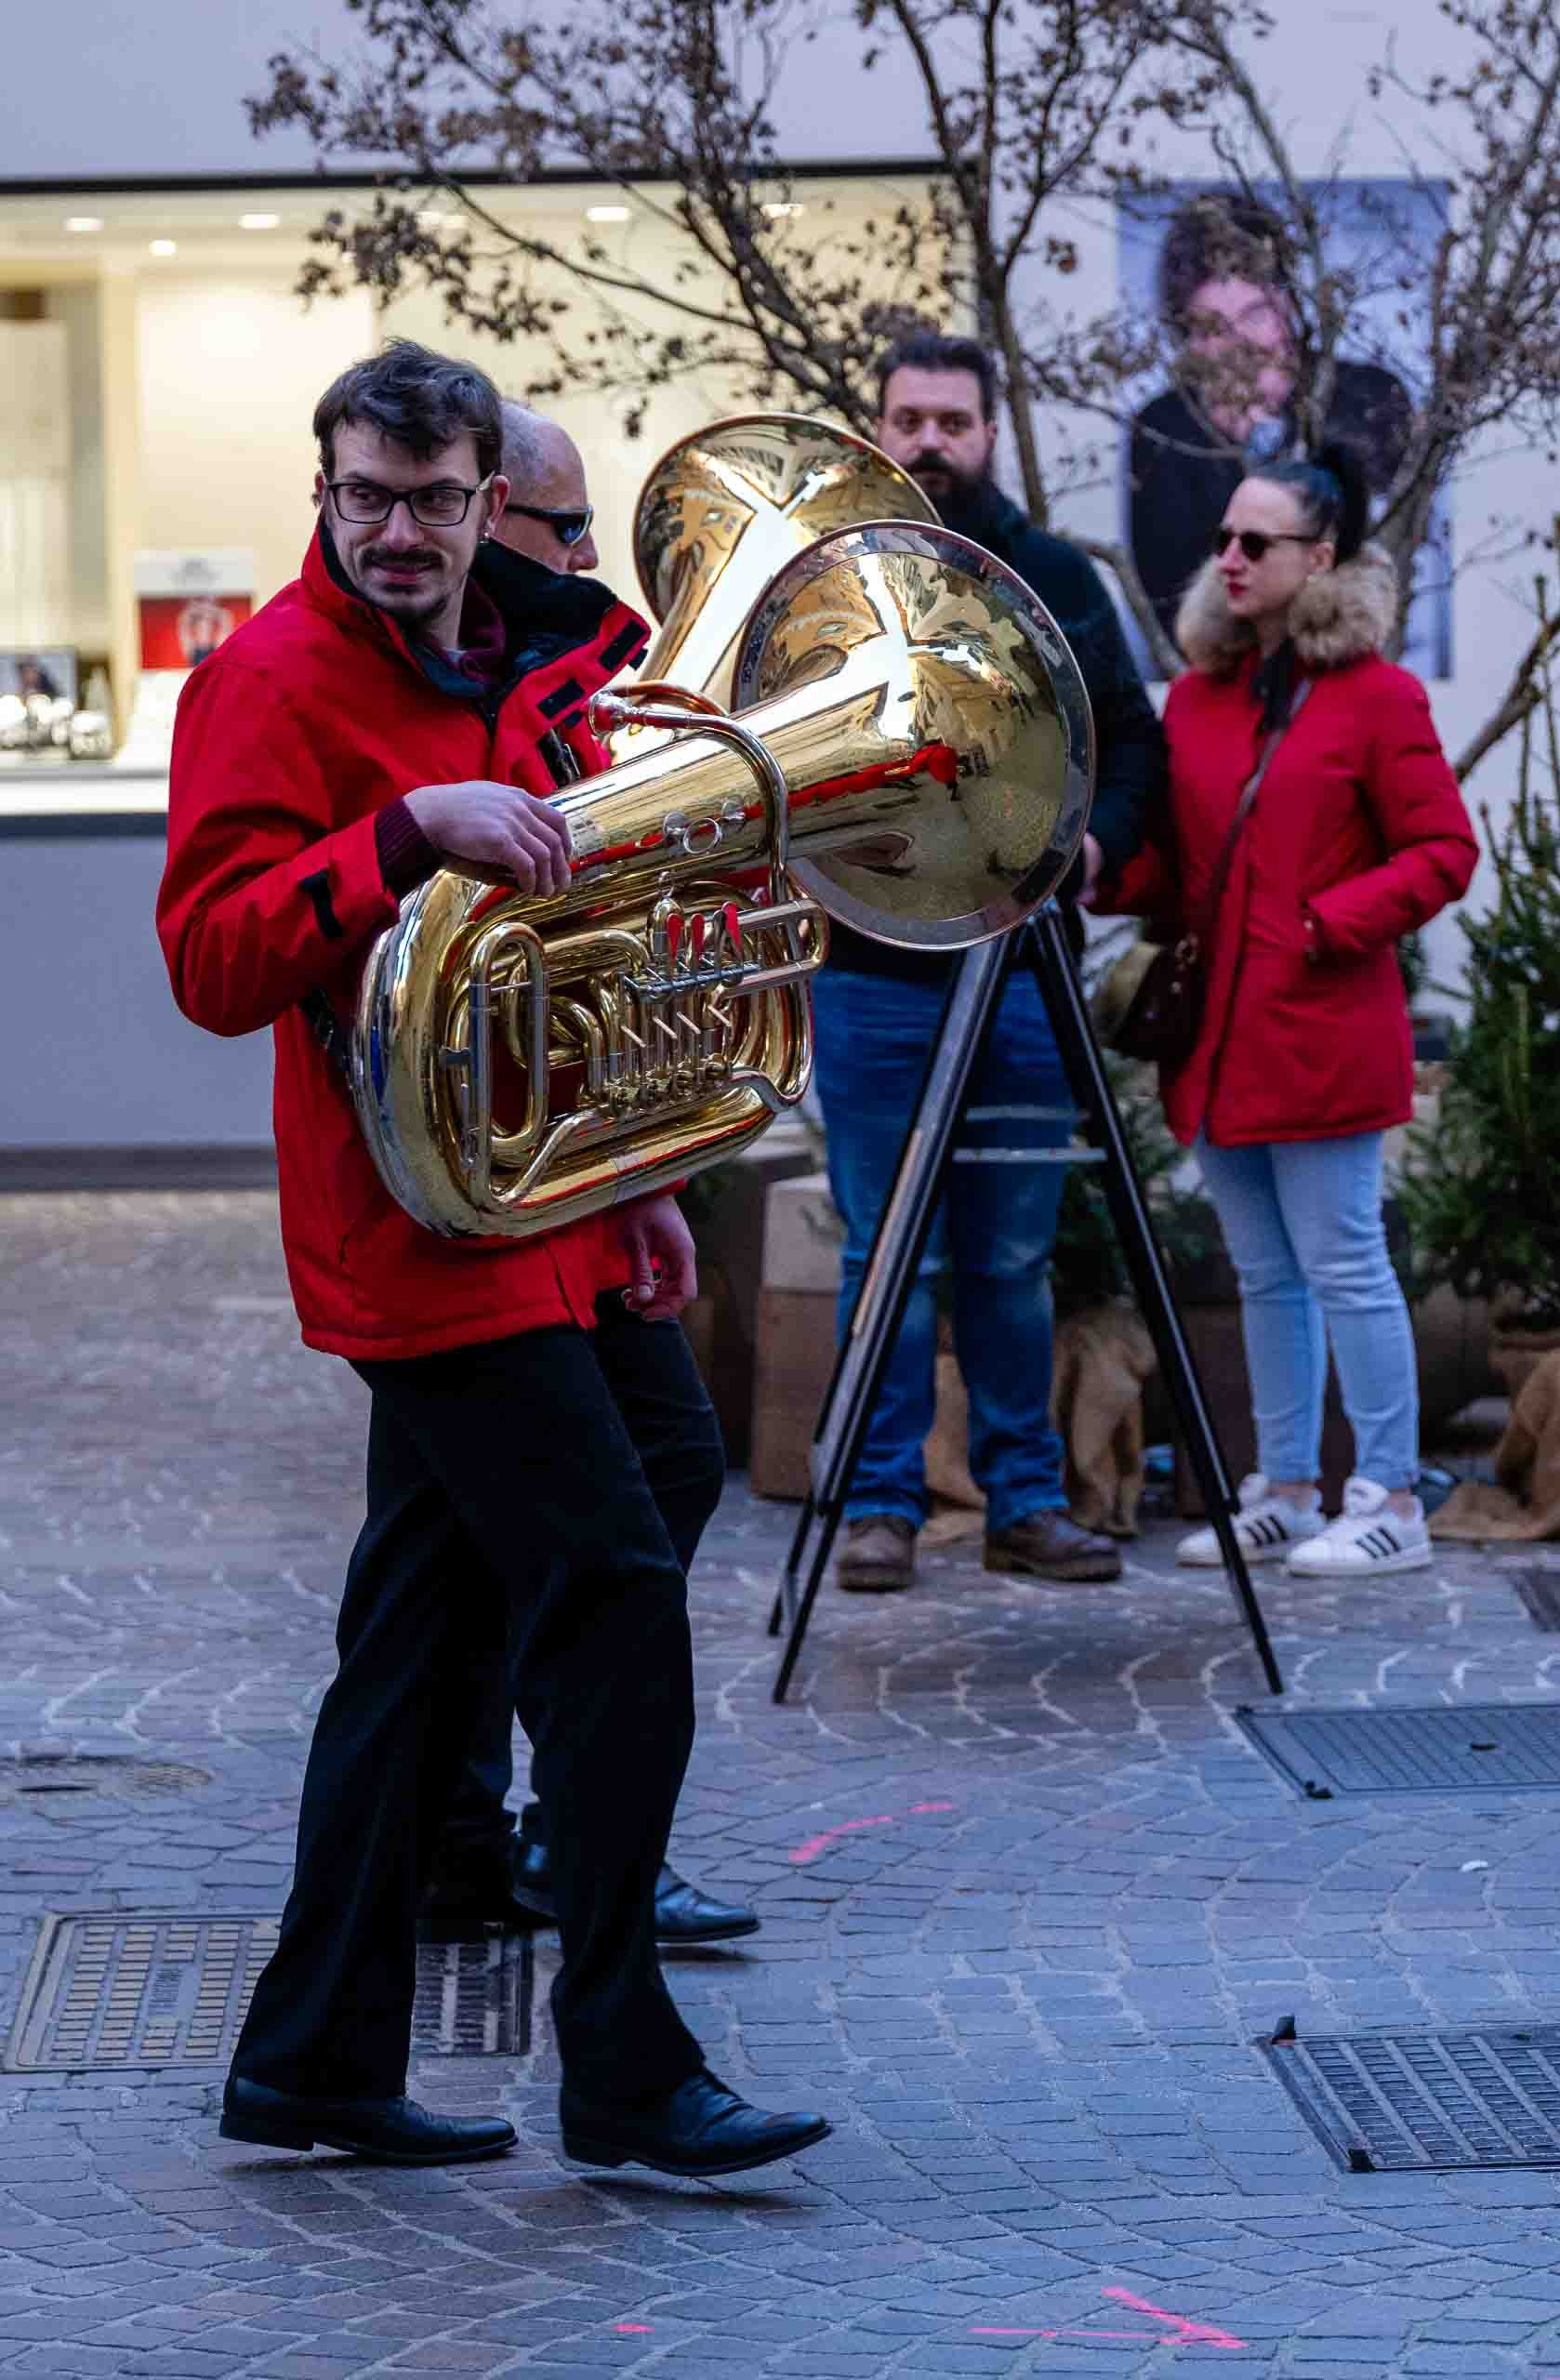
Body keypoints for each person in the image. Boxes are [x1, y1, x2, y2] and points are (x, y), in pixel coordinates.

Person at [156, 338, 828, 2178]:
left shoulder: (519, 665)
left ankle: (312, 2054)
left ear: (483, 503)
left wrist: (635, 1175)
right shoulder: (266, 682)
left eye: (435, 501)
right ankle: (622, 2061)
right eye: (369, 497)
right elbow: (210, 959)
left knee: (435, 1622)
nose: (401, 531)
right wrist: (397, 835)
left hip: (541, 1208)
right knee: (611, 1577)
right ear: (324, 491)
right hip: (416, 1228)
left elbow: (576, 949)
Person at [427, 401, 760, 1950]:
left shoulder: (571, 665)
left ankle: (486, 1842)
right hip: (482, 1173)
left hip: (566, 1161)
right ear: (494, 512)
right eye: (564, 529)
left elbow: (610, 928)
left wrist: (647, 1179)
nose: (583, 556)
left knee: (494, 1524)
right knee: (617, 1501)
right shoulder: (484, 674)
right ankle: (569, 1844)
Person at [816, 325, 1165, 1595]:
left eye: (951, 423)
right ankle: (878, 1507)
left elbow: (1133, 743)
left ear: (989, 432)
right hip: (867, 972)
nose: (929, 443)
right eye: (908, 420)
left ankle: (1024, 1500)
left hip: (1021, 978)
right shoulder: (829, 580)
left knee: (1011, 1260)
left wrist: (1091, 844)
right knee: (884, 1255)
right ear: (877, 427)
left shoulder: (1055, 575)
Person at [1104, 442, 1476, 1577]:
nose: (1228, 558)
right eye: (1223, 538)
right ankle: (1286, 1488)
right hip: (1217, 1040)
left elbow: (1443, 850)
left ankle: (1393, 1498)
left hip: (1321, 1034)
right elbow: (1179, 863)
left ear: (1319, 558)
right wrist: (1102, 872)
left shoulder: (1379, 697)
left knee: (1346, 1263)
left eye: (1255, 541)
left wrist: (1326, 922)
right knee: (1263, 1273)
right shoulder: (1198, 700)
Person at [1128, 195, 1413, 649]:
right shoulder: (1163, 430)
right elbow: (1172, 606)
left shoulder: (1369, 399)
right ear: (1189, 340)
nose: (1241, 343)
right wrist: (1228, 444)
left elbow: (1385, 554)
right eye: (1214, 327)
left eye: (1255, 314)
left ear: (1289, 307)